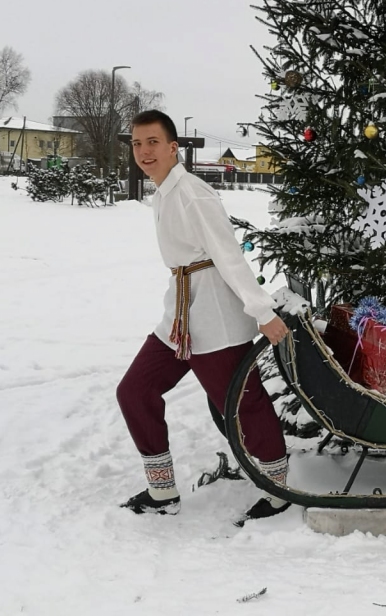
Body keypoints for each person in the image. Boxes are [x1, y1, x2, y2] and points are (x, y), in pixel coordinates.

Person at [116, 110, 291, 524]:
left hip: (214, 319)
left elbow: (229, 256)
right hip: (179, 317)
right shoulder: (163, 192)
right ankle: (162, 491)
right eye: (137, 144)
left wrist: (261, 311)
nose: (144, 151)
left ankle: (278, 489)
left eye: (153, 142)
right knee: (135, 392)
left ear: (173, 147)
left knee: (241, 405)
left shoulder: (193, 194)